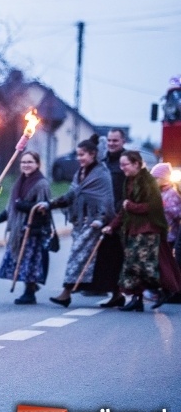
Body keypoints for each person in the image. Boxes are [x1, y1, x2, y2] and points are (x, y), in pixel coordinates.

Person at [35, 134, 115, 307]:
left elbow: (106, 200)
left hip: (94, 223)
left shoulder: (102, 174)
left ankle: (66, 293)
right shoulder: (80, 173)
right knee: (97, 261)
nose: (79, 158)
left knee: (76, 256)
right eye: (78, 154)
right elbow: (71, 195)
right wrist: (50, 204)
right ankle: (116, 293)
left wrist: (101, 219)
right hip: (80, 222)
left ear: (93, 154)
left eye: (82, 154)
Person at [101, 151, 168, 311]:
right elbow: (124, 209)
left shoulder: (147, 181)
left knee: (142, 266)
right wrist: (112, 226)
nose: (122, 168)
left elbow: (153, 207)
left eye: (125, 164)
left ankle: (160, 291)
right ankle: (137, 299)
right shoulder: (129, 181)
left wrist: (131, 206)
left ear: (136, 164)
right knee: (132, 266)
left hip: (147, 230)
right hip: (133, 229)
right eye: (121, 165)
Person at [0, 151, 51, 304]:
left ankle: (29, 293)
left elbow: (42, 208)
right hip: (18, 230)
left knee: (30, 262)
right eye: (23, 162)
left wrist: (23, 205)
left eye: (30, 162)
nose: (26, 165)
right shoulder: (20, 182)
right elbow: (12, 207)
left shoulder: (41, 184)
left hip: (32, 230)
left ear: (37, 164)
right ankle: (31, 287)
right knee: (21, 260)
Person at [88, 128, 127, 305]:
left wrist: (119, 210)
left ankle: (120, 292)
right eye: (109, 140)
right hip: (104, 214)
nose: (111, 143)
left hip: (120, 214)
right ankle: (111, 292)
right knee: (106, 256)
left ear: (123, 141)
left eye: (115, 141)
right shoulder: (103, 162)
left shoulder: (126, 161)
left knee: (119, 256)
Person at [149, 162, 181, 306]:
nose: (154, 181)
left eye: (156, 178)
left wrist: (164, 207)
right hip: (159, 233)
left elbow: (177, 212)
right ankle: (162, 289)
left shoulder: (172, 194)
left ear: (164, 178)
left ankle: (167, 289)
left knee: (165, 263)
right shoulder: (158, 193)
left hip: (169, 234)